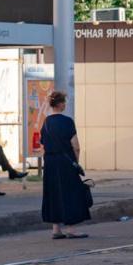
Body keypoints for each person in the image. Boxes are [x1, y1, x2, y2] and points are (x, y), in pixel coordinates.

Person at [40, 91, 91, 239]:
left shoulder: (47, 122)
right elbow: (76, 145)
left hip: (50, 162)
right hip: (66, 162)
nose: (65, 105)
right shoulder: (67, 121)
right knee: (70, 193)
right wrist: (76, 162)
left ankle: (56, 229)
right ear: (61, 104)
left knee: (53, 193)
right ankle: (71, 229)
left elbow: (44, 143)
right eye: (64, 102)